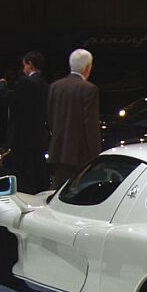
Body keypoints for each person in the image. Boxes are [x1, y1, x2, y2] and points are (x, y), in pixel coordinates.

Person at [0, 51, 50, 193]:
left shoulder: (25, 82)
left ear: (30, 64)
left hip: (22, 136)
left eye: (24, 65)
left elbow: (5, 99)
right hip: (40, 134)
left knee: (24, 173)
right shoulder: (45, 83)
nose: (23, 68)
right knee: (39, 171)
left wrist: (1, 85)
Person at [47, 48, 100, 189]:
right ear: (88, 67)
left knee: (57, 189)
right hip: (79, 152)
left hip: (58, 149)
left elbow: (51, 119)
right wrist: (96, 155)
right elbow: (90, 125)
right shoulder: (89, 89)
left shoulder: (55, 86)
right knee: (78, 192)